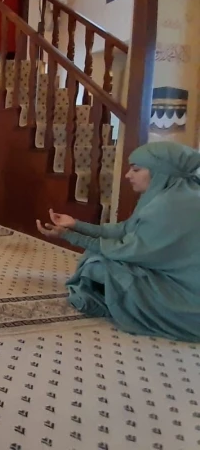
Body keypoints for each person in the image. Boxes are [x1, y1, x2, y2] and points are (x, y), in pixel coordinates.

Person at [36, 141, 200, 342]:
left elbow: (126, 249)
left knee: (99, 265)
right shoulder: (168, 194)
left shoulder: (170, 205)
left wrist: (68, 236)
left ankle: (126, 306)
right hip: (170, 276)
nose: (128, 175)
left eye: (136, 170)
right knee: (97, 256)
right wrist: (75, 224)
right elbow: (124, 230)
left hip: (186, 294)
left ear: (160, 172)